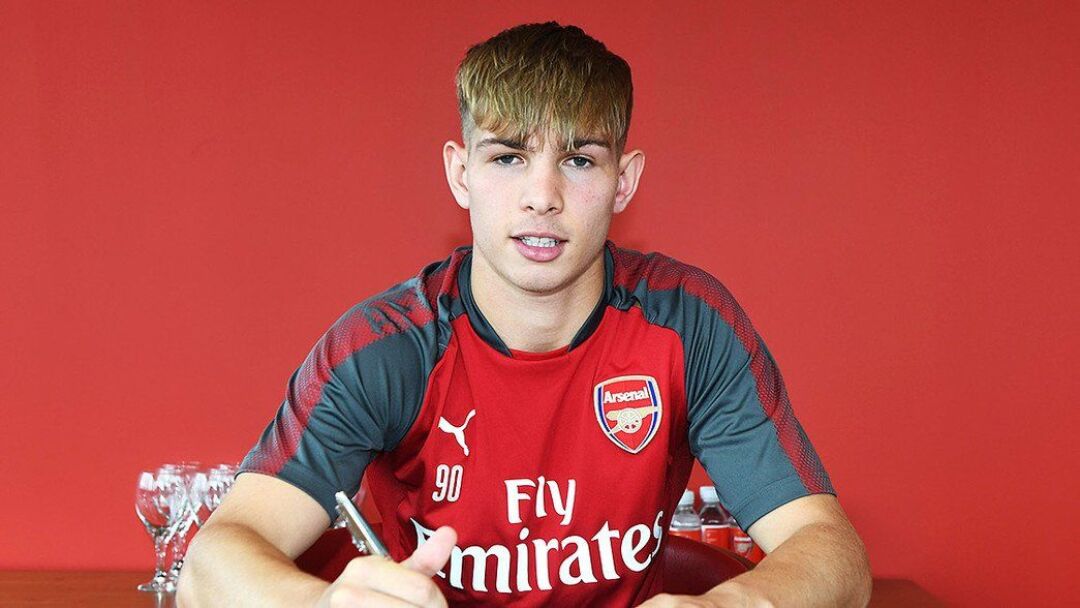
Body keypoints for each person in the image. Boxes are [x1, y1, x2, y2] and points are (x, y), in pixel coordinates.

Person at [178, 21, 871, 608]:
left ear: (624, 180)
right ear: (461, 174)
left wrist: (735, 604)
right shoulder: (384, 346)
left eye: (579, 160)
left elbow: (831, 550)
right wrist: (322, 605)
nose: (542, 197)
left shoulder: (689, 325)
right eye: (509, 157)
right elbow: (210, 566)